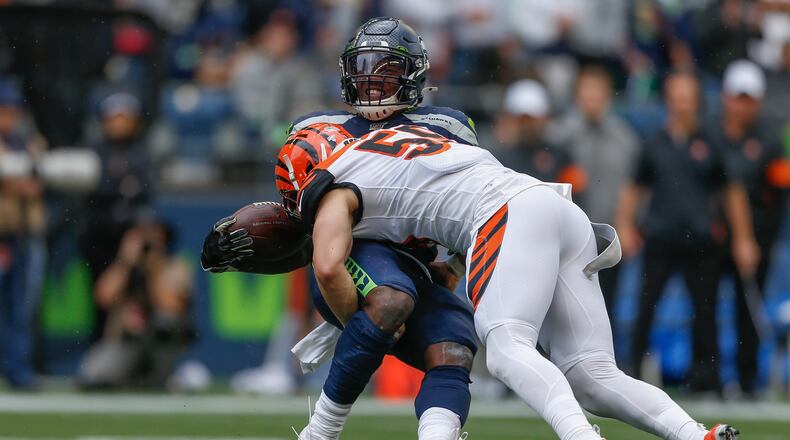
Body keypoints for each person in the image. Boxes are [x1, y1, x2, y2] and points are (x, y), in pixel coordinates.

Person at [278, 123, 740, 440]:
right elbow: (446, 195)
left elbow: (327, 267)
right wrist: (454, 267)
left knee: (505, 348)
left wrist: (358, 324)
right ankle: (693, 433)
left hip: (507, 215)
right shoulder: (404, 139)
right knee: (592, 374)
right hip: (555, 208)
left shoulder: (335, 184)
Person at [203, 17, 480, 440]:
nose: (371, 80)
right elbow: (300, 219)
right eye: (362, 67)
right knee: (389, 300)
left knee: (455, 349)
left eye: (386, 69)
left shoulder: (446, 126)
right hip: (354, 251)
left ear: (414, 74)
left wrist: (455, 264)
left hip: (418, 264)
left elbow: (475, 204)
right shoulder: (316, 130)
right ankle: (321, 432)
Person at [617, 70, 759, 394]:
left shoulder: (711, 142)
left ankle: (705, 379)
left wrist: (743, 238)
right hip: (660, 237)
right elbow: (633, 188)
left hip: (701, 241)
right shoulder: (653, 143)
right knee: (645, 308)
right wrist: (624, 225)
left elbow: (732, 192)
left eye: (687, 97)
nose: (682, 104)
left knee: (705, 311)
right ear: (668, 100)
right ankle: (632, 373)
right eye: (677, 96)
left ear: (696, 101)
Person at [708, 60, 790, 397]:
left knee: (748, 310)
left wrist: (758, 239)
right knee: (706, 307)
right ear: (727, 97)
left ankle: (746, 380)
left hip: (757, 239)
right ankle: (708, 379)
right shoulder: (710, 133)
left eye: (748, 98)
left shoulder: (770, 139)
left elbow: (780, 192)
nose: (742, 105)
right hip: (713, 237)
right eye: (737, 97)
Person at [549, 65, 640, 323]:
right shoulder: (557, 136)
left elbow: (632, 184)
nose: (592, 98)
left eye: (598, 91)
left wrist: (629, 224)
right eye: (587, 91)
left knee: (606, 306)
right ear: (576, 95)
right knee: (564, 309)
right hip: (567, 236)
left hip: (610, 237)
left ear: (608, 95)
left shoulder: (624, 137)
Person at [77, 220, 193, 389]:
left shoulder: (176, 266)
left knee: (165, 321)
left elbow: (172, 308)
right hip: (127, 340)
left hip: (159, 343)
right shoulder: (126, 267)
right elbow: (103, 297)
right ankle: (134, 377)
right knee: (93, 375)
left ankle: (160, 377)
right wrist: (125, 261)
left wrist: (153, 269)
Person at [0, 78, 47, 389]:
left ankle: (18, 369)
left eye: (15, 109)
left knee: (20, 307)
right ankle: (15, 368)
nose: (11, 115)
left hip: (20, 235)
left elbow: (39, 178)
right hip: (2, 231)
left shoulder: (26, 142)